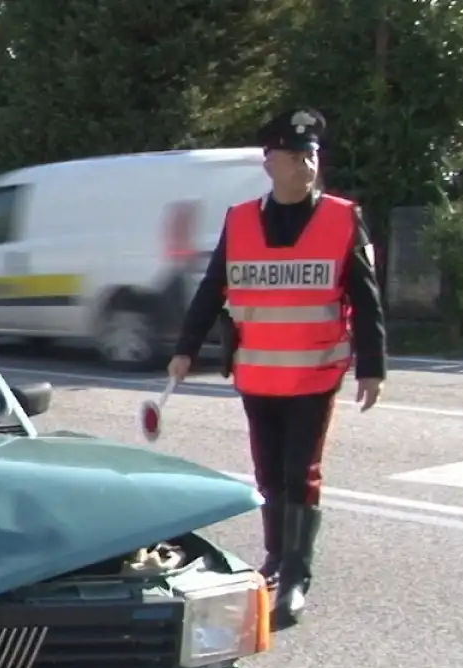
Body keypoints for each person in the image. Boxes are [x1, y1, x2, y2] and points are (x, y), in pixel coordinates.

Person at [165, 106, 387, 628]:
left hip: (314, 372)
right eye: (295, 155)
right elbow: (211, 289)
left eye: (311, 154)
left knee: (299, 473)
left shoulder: (340, 218)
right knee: (267, 475)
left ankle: (295, 576)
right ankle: (273, 558)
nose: (307, 164)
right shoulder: (240, 220)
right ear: (271, 164)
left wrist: (372, 366)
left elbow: (366, 297)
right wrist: (185, 348)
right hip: (258, 375)